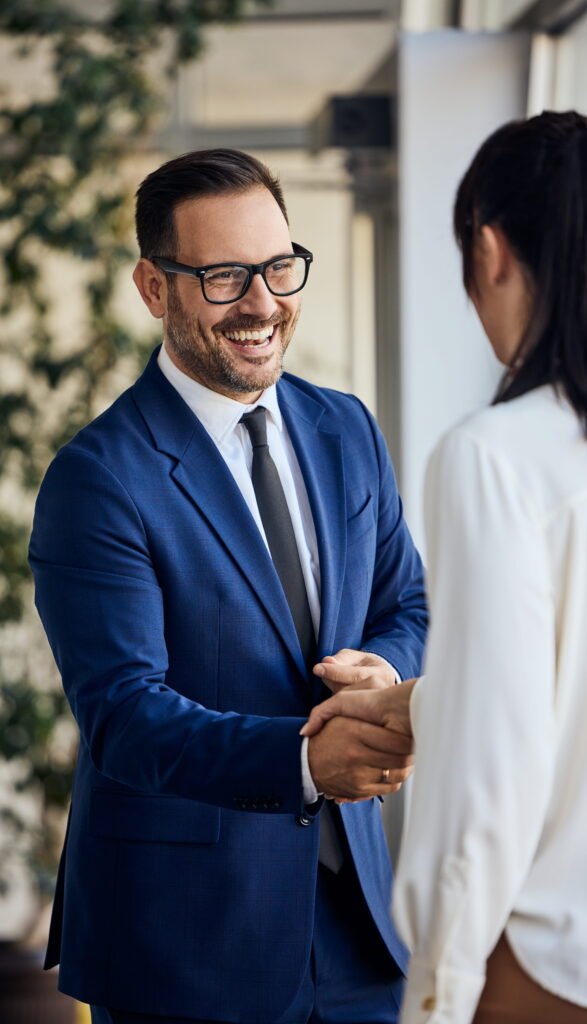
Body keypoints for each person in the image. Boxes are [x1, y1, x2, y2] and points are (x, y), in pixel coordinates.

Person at [28, 148, 428, 1024]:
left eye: (278, 266)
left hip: (359, 925)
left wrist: (379, 674)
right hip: (187, 943)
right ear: (152, 286)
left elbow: (408, 604)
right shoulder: (97, 477)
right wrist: (301, 758)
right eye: (221, 276)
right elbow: (125, 716)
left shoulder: (346, 427)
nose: (261, 303)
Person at [302, 110, 587, 1024]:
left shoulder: (495, 454)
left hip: (545, 960)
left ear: (490, 248)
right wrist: (422, 702)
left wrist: (438, 995)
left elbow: (490, 773)